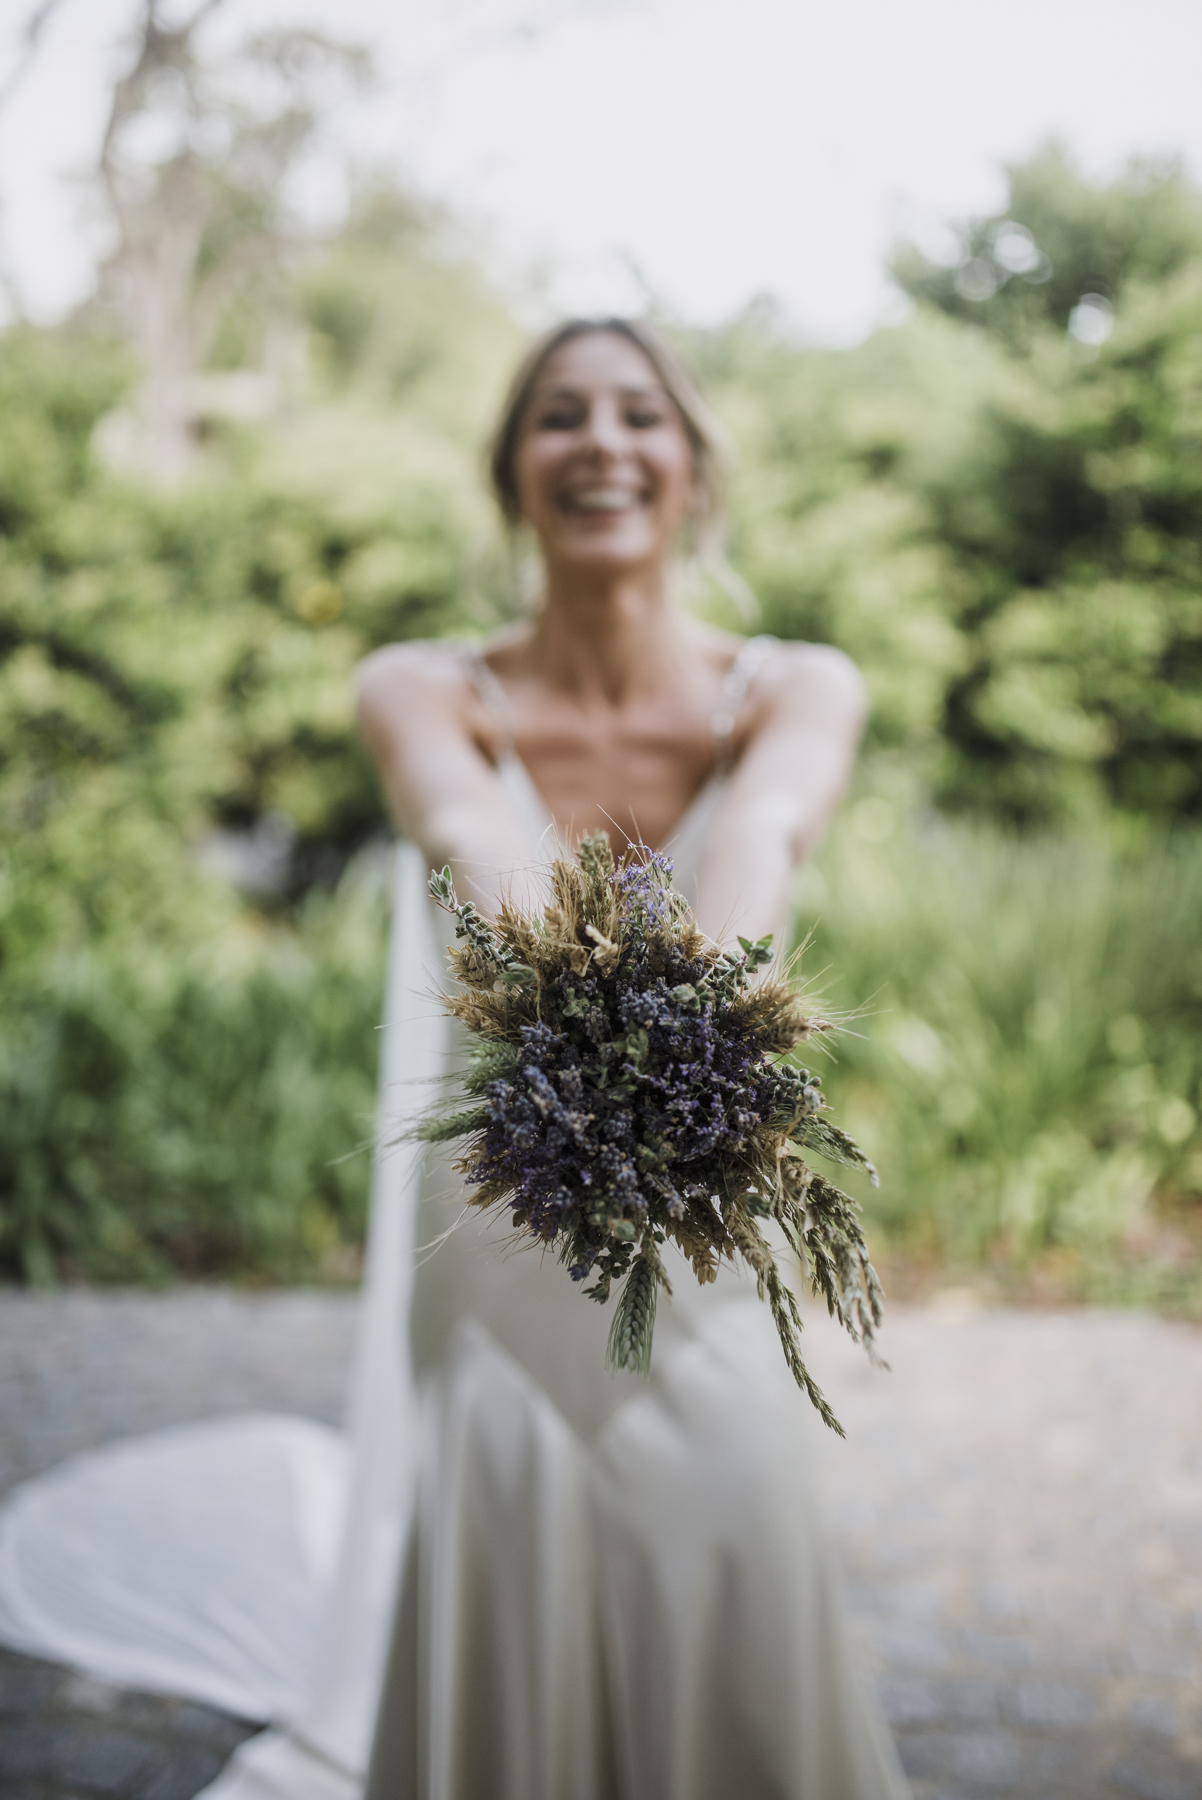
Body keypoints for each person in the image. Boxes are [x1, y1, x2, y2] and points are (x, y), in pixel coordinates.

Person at [355, 318, 907, 1800]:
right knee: (504, 1497)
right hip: (506, 1191)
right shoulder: (417, 685)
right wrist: (595, 1016)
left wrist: (686, 1043)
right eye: (559, 416)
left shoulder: (795, 685)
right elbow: (468, 834)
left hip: (703, 1175)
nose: (600, 442)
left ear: (693, 469)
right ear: (509, 474)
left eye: (638, 414)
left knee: (725, 1494)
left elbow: (765, 834)